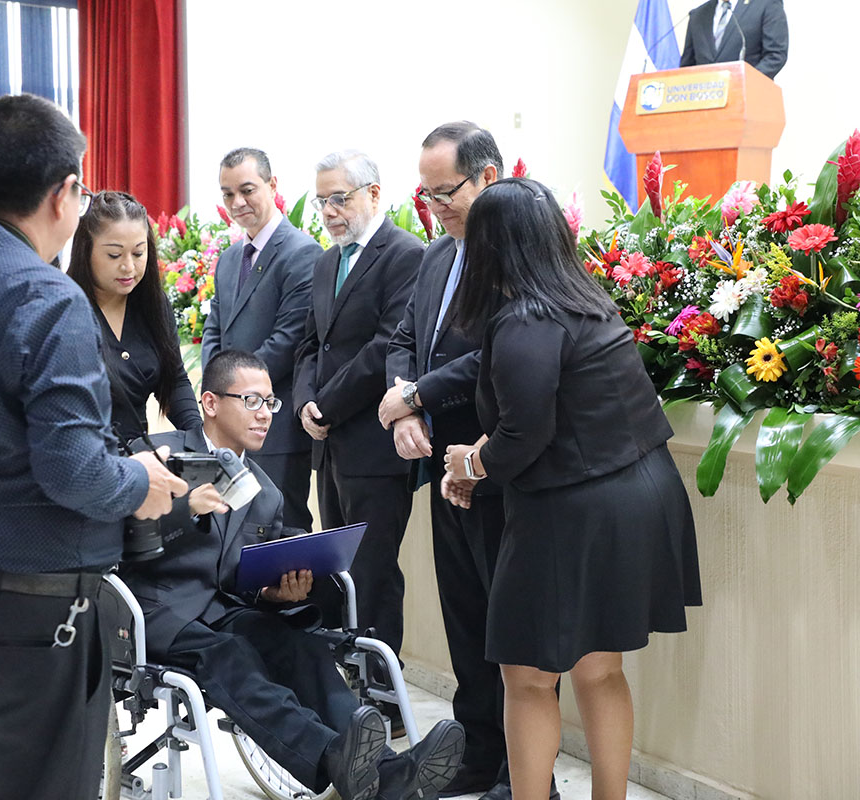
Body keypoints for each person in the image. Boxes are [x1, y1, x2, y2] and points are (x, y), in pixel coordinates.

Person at [0, 93, 188, 800]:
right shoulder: (48, 298)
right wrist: (139, 480)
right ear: (64, 194)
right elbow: (74, 471)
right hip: (35, 607)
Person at [439, 178, 702, 800]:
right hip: (642, 490)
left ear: (491, 245)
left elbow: (524, 433)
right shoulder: (585, 299)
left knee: (528, 676)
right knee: (599, 667)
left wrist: (470, 467)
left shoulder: (525, 316)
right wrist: (481, 456)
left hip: (578, 510)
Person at [121, 349, 466, 800]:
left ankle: (388, 771)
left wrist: (277, 593)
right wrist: (187, 506)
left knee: (299, 647)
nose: (264, 415)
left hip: (223, 609)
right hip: (158, 611)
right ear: (210, 402)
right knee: (231, 656)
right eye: (251, 401)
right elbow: (122, 530)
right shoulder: (158, 454)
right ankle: (333, 760)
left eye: (270, 403)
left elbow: (247, 574)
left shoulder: (264, 492)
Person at [380, 121, 557, 800]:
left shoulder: (516, 260)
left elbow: (492, 358)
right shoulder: (432, 257)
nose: (436, 206)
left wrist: (415, 395)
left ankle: (526, 775)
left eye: (446, 191)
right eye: (425, 194)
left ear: (490, 176)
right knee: (465, 618)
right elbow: (405, 337)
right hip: (440, 466)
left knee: (513, 631)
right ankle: (478, 752)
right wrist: (407, 406)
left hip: (498, 463)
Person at [292, 151, 423, 710]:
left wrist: (328, 405)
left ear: (373, 193)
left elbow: (387, 347)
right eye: (322, 200)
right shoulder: (326, 263)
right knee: (337, 573)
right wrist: (303, 404)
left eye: (339, 198)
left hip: (374, 442)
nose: (329, 211)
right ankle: (348, 692)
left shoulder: (405, 255)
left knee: (372, 574)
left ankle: (384, 701)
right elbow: (308, 346)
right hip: (330, 443)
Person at [201, 147, 319, 531]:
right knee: (229, 534)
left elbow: (287, 341)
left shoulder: (302, 253)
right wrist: (215, 395)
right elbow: (213, 330)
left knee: (280, 534)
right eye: (227, 194)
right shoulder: (231, 258)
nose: (237, 202)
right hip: (228, 426)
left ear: (272, 186)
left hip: (275, 429)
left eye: (247, 190)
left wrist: (235, 399)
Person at [66, 190, 201, 441]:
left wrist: (200, 441)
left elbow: (175, 382)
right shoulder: (64, 310)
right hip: (88, 456)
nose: (128, 266)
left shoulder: (154, 305)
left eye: (138, 253)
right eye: (114, 255)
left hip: (139, 459)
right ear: (86, 251)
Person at [679, 0, 788, 79]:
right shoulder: (697, 15)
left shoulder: (767, 4)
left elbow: (775, 55)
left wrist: (744, 80)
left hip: (749, 98)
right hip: (704, 101)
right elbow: (687, 66)